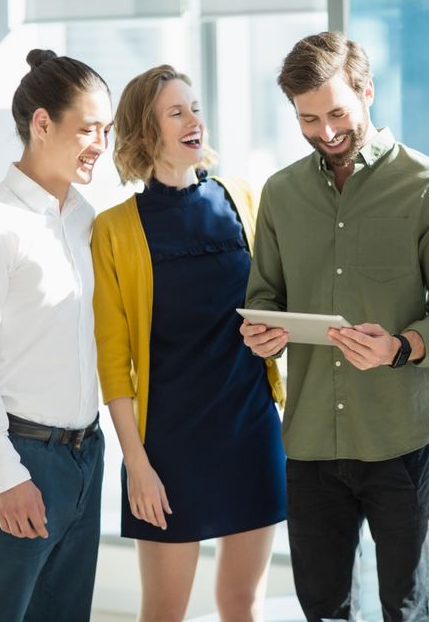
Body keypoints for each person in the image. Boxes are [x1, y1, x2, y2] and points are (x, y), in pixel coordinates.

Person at [240, 31, 429, 621]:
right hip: (311, 442)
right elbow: (264, 297)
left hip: (399, 440)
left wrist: (401, 346)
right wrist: (262, 338)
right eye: (308, 118)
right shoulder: (281, 193)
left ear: (368, 91)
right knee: (322, 608)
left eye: (338, 112)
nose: (325, 131)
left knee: (406, 606)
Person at [92, 64, 286, 621]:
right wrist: (138, 464)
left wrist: (274, 337)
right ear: (145, 133)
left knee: (241, 602)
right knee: (165, 611)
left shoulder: (243, 198)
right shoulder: (114, 229)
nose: (193, 120)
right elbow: (113, 359)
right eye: (176, 112)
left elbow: (274, 305)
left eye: (195, 108)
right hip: (168, 448)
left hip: (250, 430)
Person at [0, 49, 112, 621]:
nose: (100, 145)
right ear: (42, 124)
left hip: (86, 456)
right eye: (88, 129)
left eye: (106, 130)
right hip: (18, 459)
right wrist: (7, 476)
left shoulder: (87, 220)